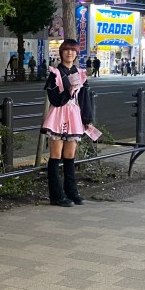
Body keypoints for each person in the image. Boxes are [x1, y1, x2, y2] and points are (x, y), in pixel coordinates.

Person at [41, 39, 86, 207]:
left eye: (73, 50)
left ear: (76, 53)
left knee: (69, 156)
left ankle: (72, 192)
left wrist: (87, 120)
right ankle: (56, 196)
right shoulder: (55, 73)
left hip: (73, 115)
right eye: (66, 50)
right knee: (55, 156)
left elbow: (84, 98)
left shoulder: (80, 73)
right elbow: (54, 99)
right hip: (58, 114)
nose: (70, 53)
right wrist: (68, 92)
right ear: (61, 53)